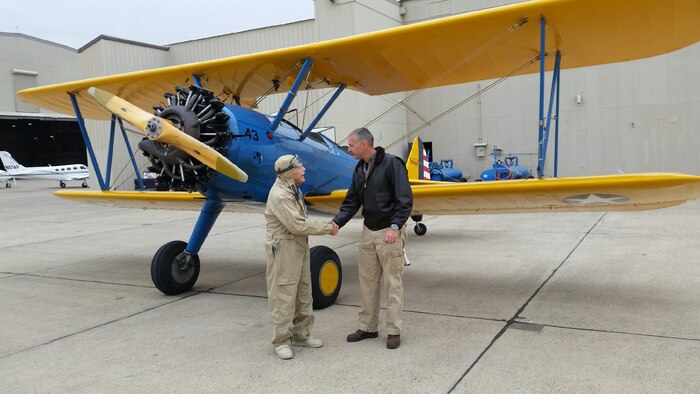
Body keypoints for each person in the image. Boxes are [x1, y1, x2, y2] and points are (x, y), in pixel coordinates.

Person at [332, 127, 413, 349]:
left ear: (364, 144)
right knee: (367, 282)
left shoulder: (392, 164)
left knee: (392, 283)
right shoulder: (360, 169)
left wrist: (395, 226)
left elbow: (404, 199)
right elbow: (351, 201)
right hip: (368, 231)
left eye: (351, 145)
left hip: (389, 231)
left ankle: (394, 330)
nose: (348, 149)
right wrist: (337, 222)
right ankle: (368, 327)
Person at [264, 154, 339, 360]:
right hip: (284, 248)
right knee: (284, 293)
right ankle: (281, 340)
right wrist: (328, 227)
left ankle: (301, 334)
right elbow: (297, 225)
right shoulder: (279, 195)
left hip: (299, 245)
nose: (304, 169)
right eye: (299, 167)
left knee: (304, 291)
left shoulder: (293, 189)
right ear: (289, 173)